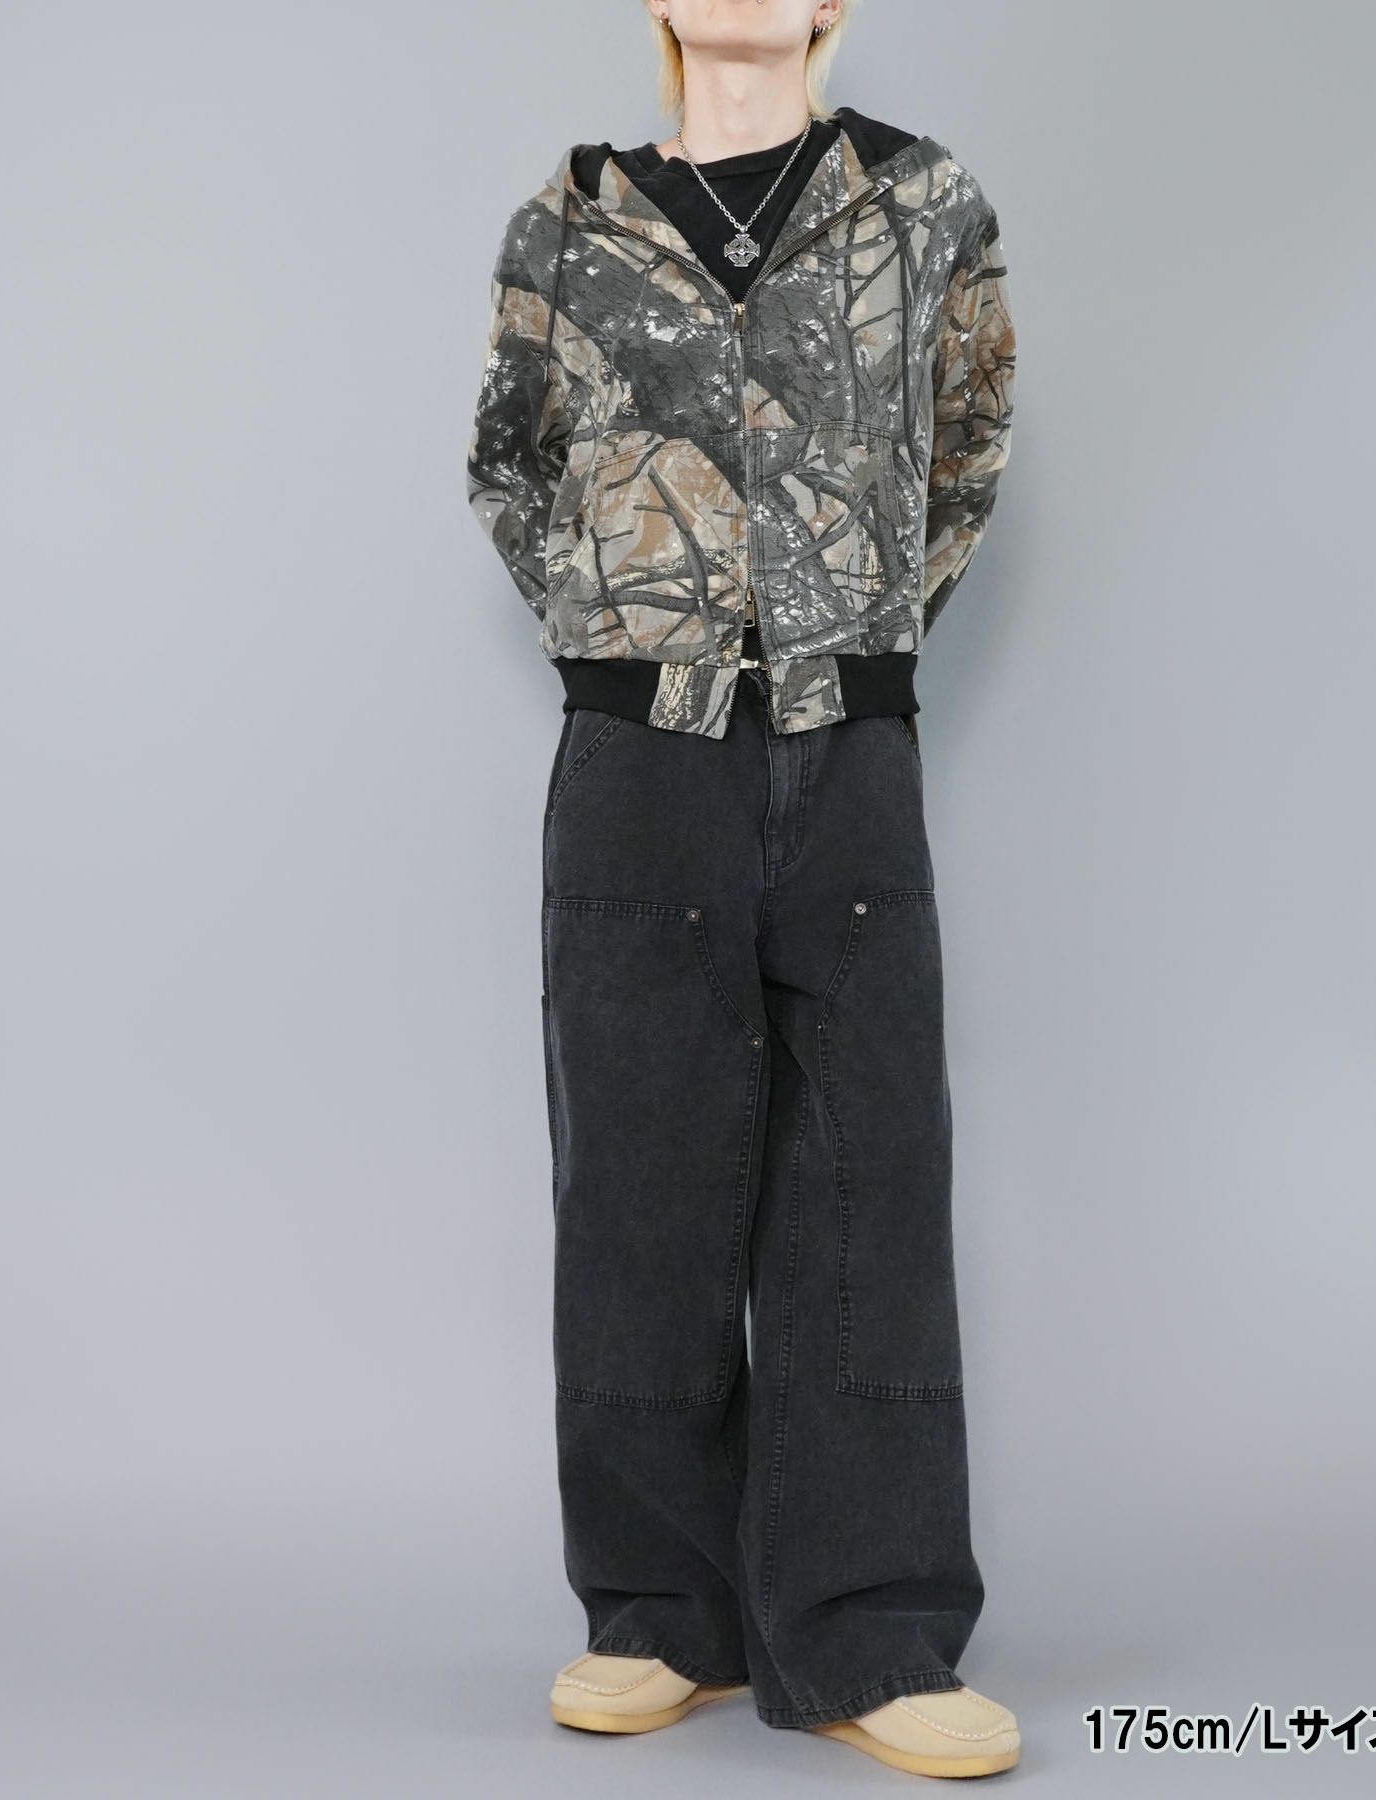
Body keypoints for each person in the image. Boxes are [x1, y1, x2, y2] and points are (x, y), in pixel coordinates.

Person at [466, 0, 1018, 1778]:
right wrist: (629, 627)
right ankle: (659, 1615)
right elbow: (511, 462)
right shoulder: (570, 218)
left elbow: (968, 442)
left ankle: (873, 1634)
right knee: (637, 1178)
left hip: (849, 761)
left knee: (868, 1185)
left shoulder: (922, 203)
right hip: (637, 766)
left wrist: (849, 638)